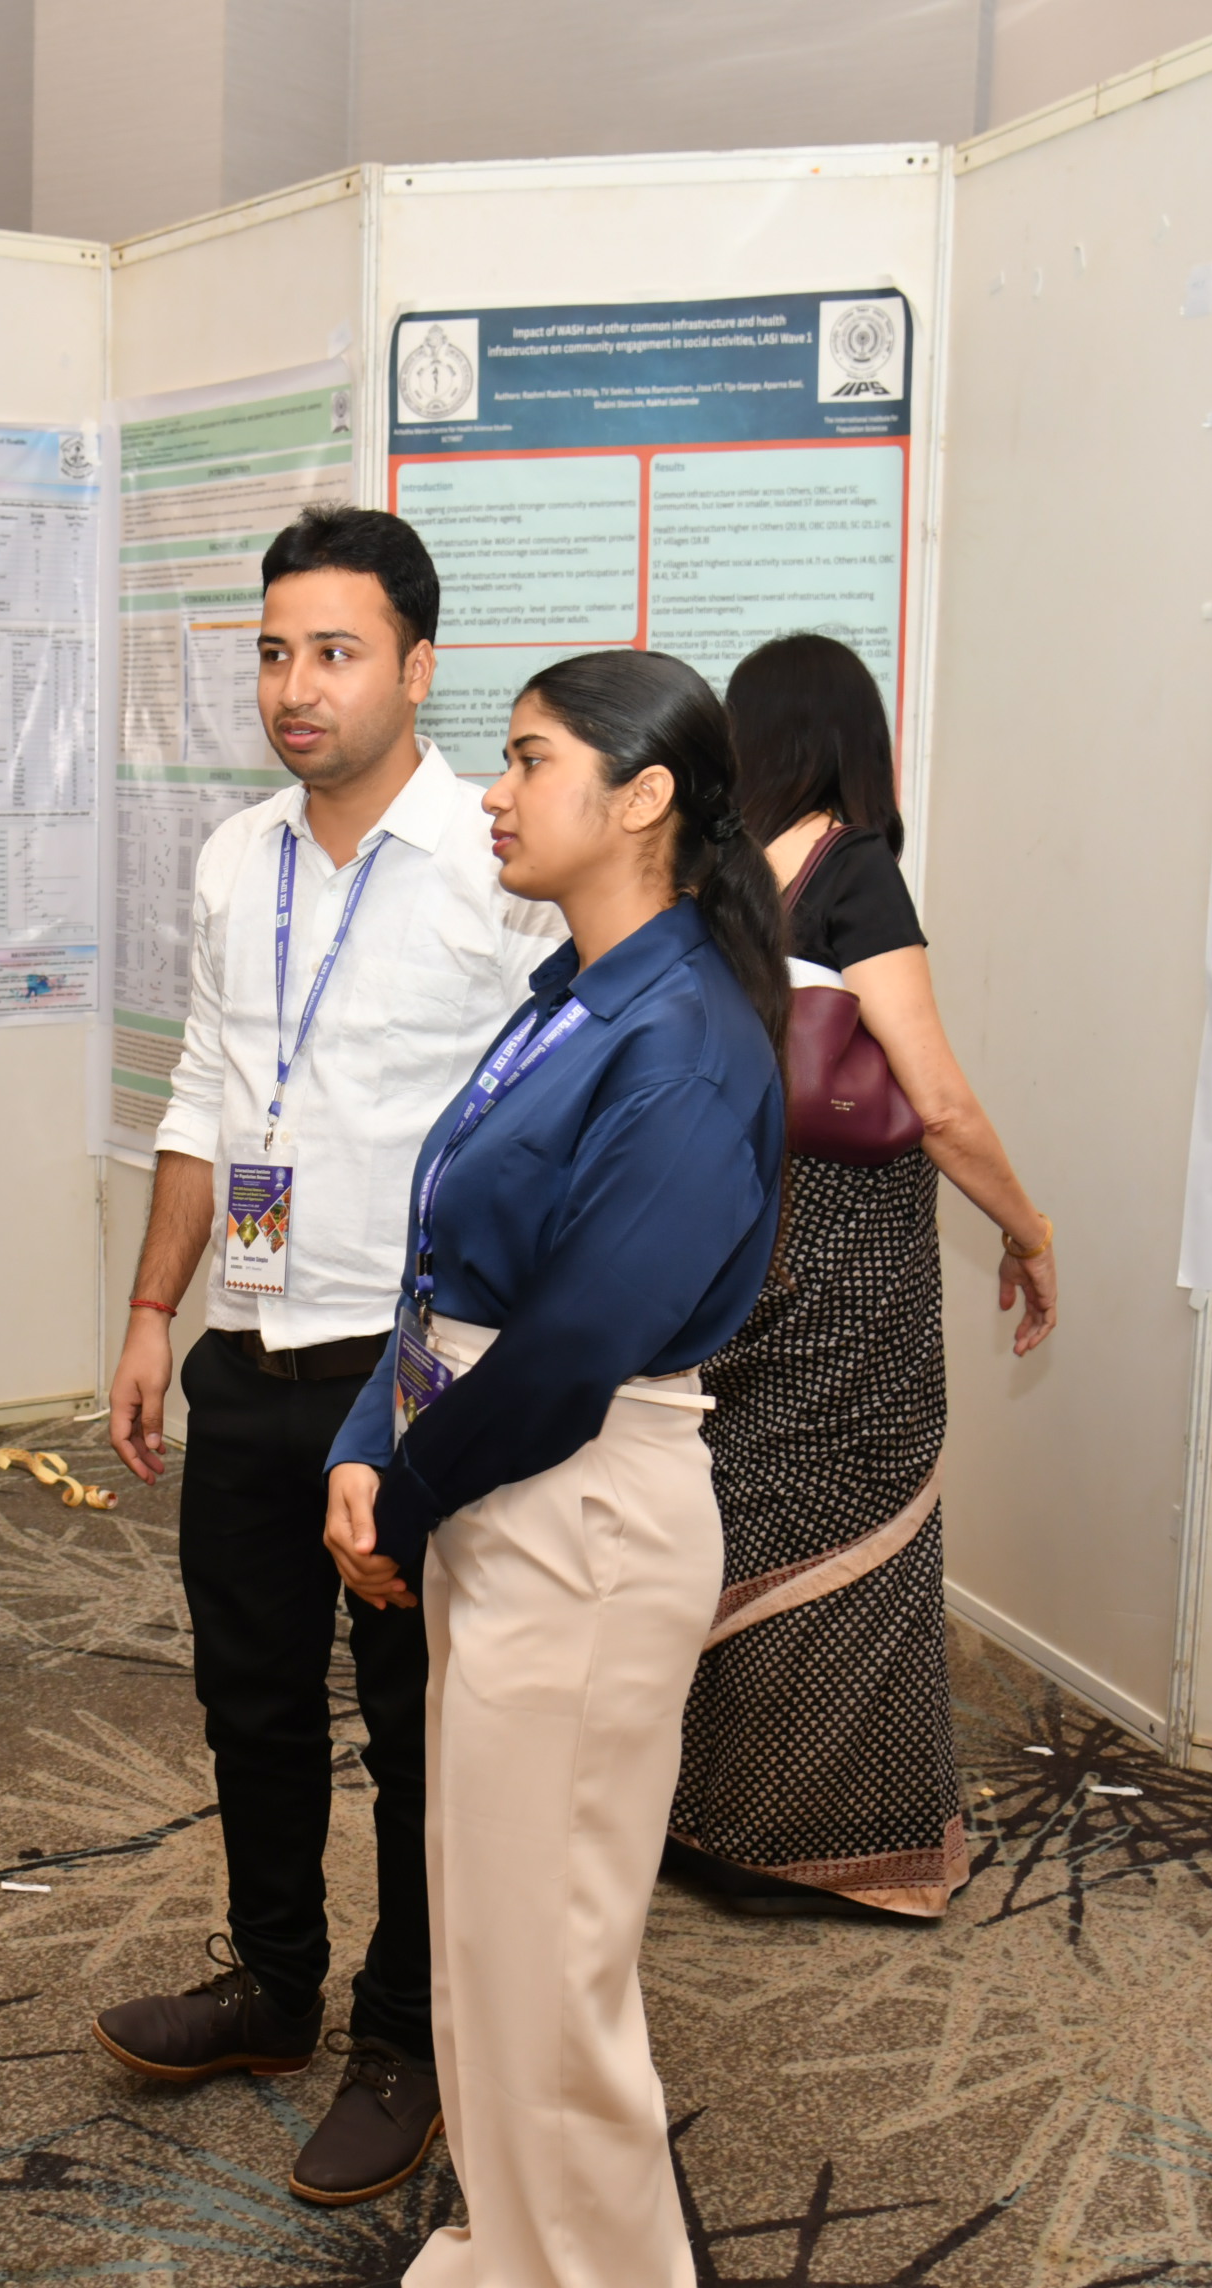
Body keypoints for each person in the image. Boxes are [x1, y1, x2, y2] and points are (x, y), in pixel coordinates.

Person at [97, 506, 555, 2208]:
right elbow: (206, 1091)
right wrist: (154, 1310)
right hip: (250, 1342)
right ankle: (276, 1985)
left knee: (422, 1725)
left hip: (416, 1364)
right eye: (277, 652)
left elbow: (548, 1125)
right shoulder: (238, 856)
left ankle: (412, 2036)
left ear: (418, 667)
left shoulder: (498, 863)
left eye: (337, 652)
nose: (297, 686)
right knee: (253, 1698)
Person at [323, 648, 788, 2288]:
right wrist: (368, 1437)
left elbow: (577, 1342)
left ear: (642, 795)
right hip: (496, 1483)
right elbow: (451, 1259)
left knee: (555, 1961)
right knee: (493, 1936)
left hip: (577, 1508)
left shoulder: (690, 1036)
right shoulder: (577, 992)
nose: (495, 793)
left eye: (527, 760)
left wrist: (408, 1490)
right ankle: (513, 2247)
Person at [670, 631, 1059, 1920]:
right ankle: (807, 1843)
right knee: (851, 1523)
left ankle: (698, 1813)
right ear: (854, 740)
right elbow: (935, 1099)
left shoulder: (708, 876)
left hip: (731, 1239)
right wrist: (1027, 1229)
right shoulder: (854, 872)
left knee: (730, 1508)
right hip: (847, 1271)